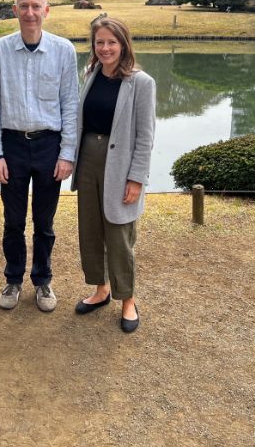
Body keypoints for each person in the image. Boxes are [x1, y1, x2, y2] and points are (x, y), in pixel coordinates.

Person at [0, 0, 78, 313]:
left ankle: (42, 280)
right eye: (23, 6)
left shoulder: (63, 50)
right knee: (13, 221)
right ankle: (13, 278)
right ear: (15, 10)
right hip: (11, 144)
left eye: (36, 6)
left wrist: (68, 154)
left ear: (46, 10)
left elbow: (70, 106)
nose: (30, 12)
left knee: (44, 221)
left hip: (49, 145)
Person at [71, 17, 155, 333]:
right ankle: (100, 289)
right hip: (89, 158)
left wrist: (137, 178)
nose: (105, 48)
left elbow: (145, 136)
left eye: (111, 42)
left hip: (120, 163)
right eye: (99, 42)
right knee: (90, 229)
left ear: (123, 44)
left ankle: (127, 299)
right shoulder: (90, 74)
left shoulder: (141, 82)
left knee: (120, 233)